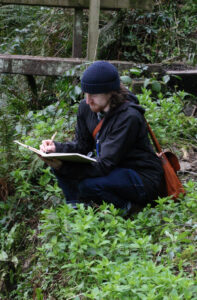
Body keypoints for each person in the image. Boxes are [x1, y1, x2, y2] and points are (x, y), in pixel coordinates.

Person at [40, 61, 165, 215]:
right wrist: (56, 148)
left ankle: (127, 208)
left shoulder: (129, 117)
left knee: (88, 184)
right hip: (115, 169)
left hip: (140, 177)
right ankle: (76, 210)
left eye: (93, 95)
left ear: (110, 92)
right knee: (60, 164)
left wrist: (64, 167)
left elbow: (105, 164)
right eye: (86, 93)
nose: (87, 100)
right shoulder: (86, 108)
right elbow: (82, 146)